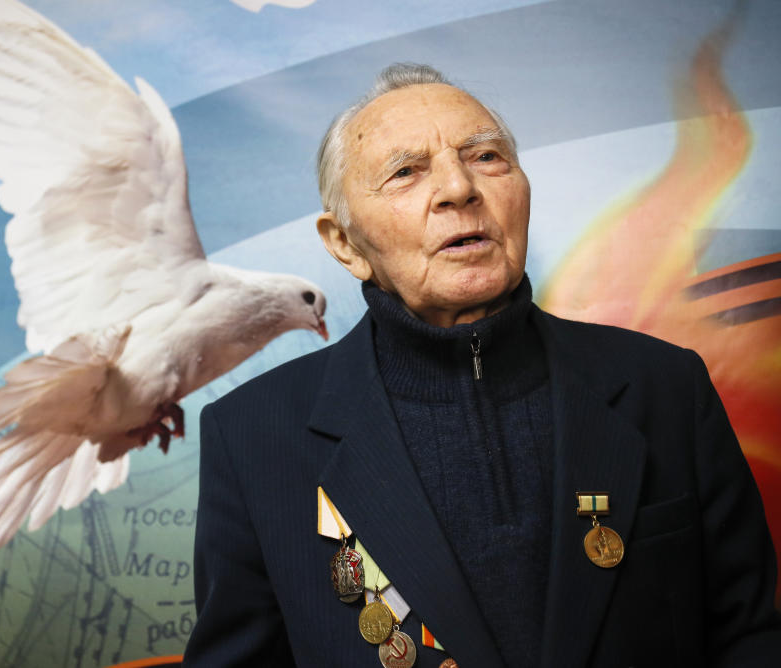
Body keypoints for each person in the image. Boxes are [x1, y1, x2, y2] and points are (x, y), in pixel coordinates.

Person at [183, 63, 781, 667]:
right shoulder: (253, 436)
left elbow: (749, 634)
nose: (458, 189)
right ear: (344, 244)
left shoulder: (665, 385)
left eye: (487, 158)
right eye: (405, 172)